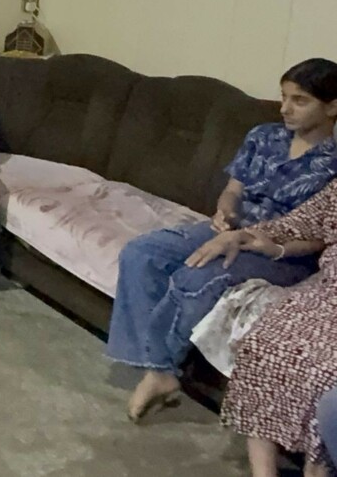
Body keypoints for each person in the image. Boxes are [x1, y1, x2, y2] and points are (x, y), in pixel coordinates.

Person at [105, 58, 337, 421]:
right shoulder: (264, 136)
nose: (285, 108)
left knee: (197, 276)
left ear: (332, 106)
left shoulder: (332, 162)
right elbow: (232, 190)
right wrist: (224, 211)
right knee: (142, 252)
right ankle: (156, 367)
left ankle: (159, 370)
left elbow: (321, 236)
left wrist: (260, 243)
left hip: (282, 251)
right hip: (232, 229)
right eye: (283, 97)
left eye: (299, 100)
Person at [209, 179, 337, 477]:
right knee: (264, 343)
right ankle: (263, 472)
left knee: (325, 371)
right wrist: (245, 234)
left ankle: (317, 469)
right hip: (327, 289)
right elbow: (302, 221)